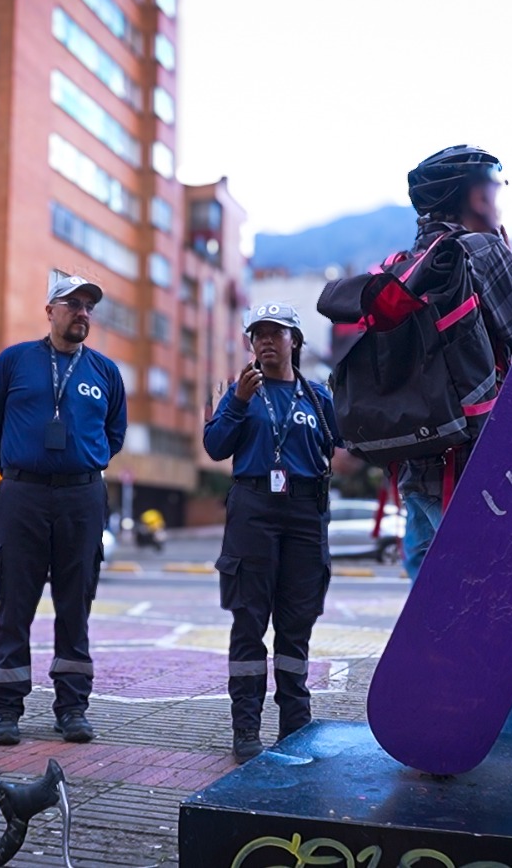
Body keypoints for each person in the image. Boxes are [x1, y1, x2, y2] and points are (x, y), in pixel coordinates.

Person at [398, 145, 512, 732]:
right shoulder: (481, 251)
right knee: (500, 630)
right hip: (478, 475)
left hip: (415, 474)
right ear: (472, 193)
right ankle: (511, 767)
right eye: (495, 182)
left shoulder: (404, 264)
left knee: (435, 625)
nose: (499, 193)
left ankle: (436, 741)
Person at [0, 275, 128, 746]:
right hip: (23, 495)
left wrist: (77, 466)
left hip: (82, 498)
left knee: (75, 605)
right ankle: (5, 710)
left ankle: (73, 708)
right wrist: (24, 469)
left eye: (89, 306)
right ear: (50, 310)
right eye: (72, 303)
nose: (82, 312)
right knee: (14, 602)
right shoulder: (14, 361)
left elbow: (114, 435)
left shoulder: (105, 372)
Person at [204, 302, 339, 763]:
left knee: (295, 626)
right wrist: (238, 402)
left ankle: (294, 727)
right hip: (253, 508)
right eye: (257, 334)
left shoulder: (318, 397)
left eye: (275, 333)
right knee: (248, 621)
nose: (265, 341)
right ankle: (246, 730)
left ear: (294, 342)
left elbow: (351, 439)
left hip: (304, 512)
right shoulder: (239, 392)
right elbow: (216, 446)